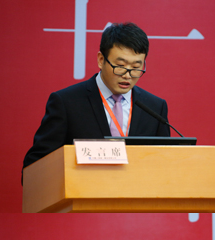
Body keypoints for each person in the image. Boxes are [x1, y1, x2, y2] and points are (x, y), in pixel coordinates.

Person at [23, 22, 170, 171]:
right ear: (101, 60)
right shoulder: (67, 103)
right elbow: (36, 165)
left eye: (136, 67)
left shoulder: (155, 108)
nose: (127, 75)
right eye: (120, 66)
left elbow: (166, 163)